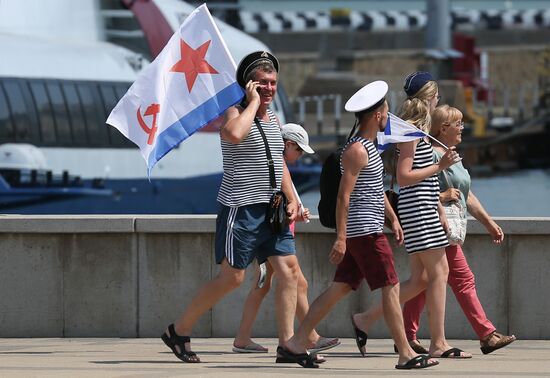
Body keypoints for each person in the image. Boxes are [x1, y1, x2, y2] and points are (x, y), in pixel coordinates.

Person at [283, 81, 438, 370]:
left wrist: (392, 217)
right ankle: (405, 354)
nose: (389, 117)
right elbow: (344, 196)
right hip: (364, 232)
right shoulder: (357, 150)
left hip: (367, 229)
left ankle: (295, 343)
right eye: (387, 112)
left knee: (339, 288)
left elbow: (375, 189)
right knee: (391, 286)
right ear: (378, 115)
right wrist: (341, 238)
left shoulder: (367, 148)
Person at [161, 51, 301, 363]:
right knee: (233, 278)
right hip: (241, 209)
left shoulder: (273, 119)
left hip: (271, 210)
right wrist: (252, 102)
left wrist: (291, 199)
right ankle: (179, 330)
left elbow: (277, 161)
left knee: (289, 271)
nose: (268, 88)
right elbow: (235, 134)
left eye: (273, 83)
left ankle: (288, 344)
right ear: (249, 84)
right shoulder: (235, 112)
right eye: (262, 82)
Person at [350, 72, 471, 359]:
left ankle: (365, 319)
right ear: (430, 98)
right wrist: (440, 166)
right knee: (439, 272)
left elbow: (420, 181)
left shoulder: (415, 130)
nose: (438, 101)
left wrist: (439, 209)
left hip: (424, 207)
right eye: (437, 96)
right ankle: (438, 342)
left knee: (421, 280)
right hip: (417, 208)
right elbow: (404, 177)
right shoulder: (411, 132)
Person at [401, 104, 516, 355]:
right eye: (458, 124)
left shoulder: (452, 155)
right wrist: (442, 196)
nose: (463, 128)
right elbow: (414, 188)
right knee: (463, 279)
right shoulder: (432, 155)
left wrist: (488, 222)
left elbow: (467, 194)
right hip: (435, 227)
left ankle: (405, 333)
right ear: (443, 128)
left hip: (450, 227)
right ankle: (486, 334)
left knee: (422, 283)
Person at [232, 123, 340, 356]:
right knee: (295, 282)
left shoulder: (274, 166)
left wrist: (296, 214)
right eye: (298, 150)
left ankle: (243, 337)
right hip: (275, 237)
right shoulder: (277, 167)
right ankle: (306, 337)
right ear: (287, 144)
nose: (299, 156)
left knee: (264, 285)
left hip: (272, 235)